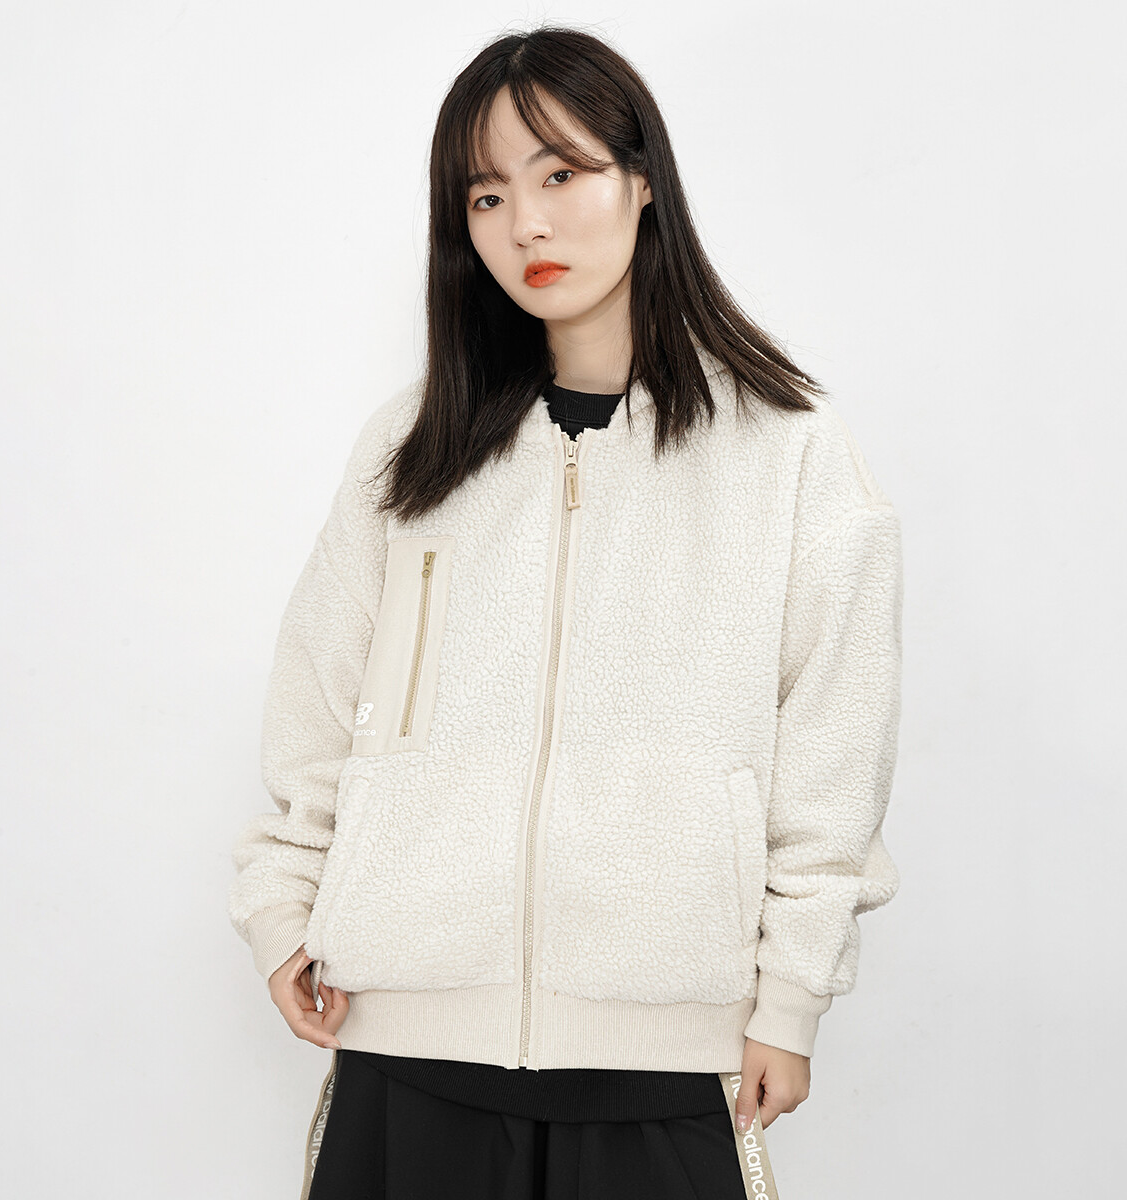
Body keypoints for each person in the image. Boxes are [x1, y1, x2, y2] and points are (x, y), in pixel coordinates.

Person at [228, 23, 904, 1200]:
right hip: (407, 1044)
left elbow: (833, 752)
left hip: (663, 1065)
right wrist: (282, 907)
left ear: (643, 181)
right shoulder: (413, 449)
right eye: (487, 196)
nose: (526, 226)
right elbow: (322, 704)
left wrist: (790, 997)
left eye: (561, 174)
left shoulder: (787, 452)